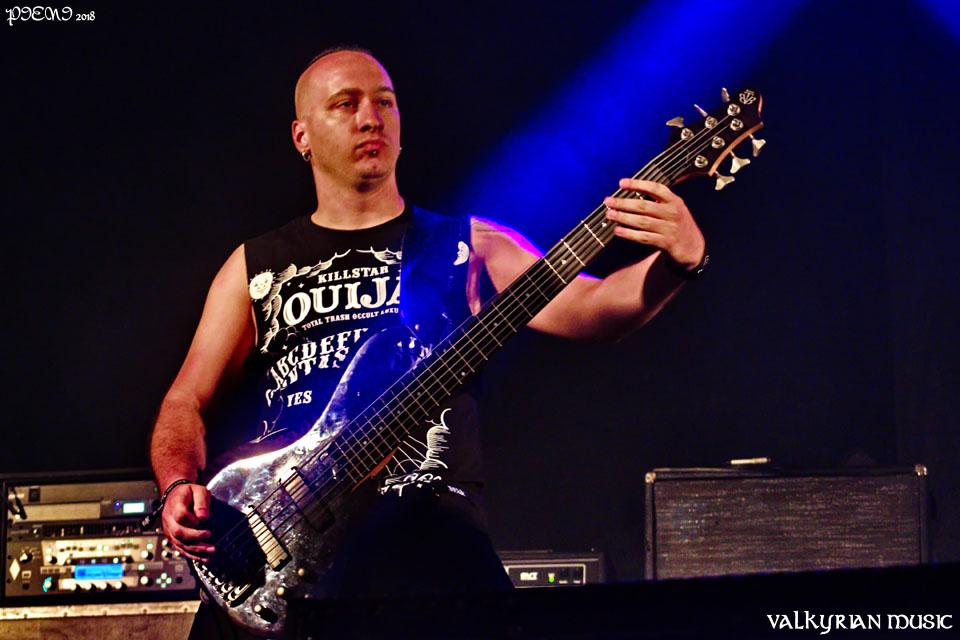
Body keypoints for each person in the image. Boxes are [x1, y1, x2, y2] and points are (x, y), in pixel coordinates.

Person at [150, 46, 706, 637]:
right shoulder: (254, 266)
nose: (371, 118)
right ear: (302, 136)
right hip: (278, 544)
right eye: (346, 104)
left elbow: (595, 308)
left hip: (428, 549)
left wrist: (679, 260)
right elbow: (185, 401)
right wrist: (178, 483)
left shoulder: (468, 246)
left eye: (385, 103)